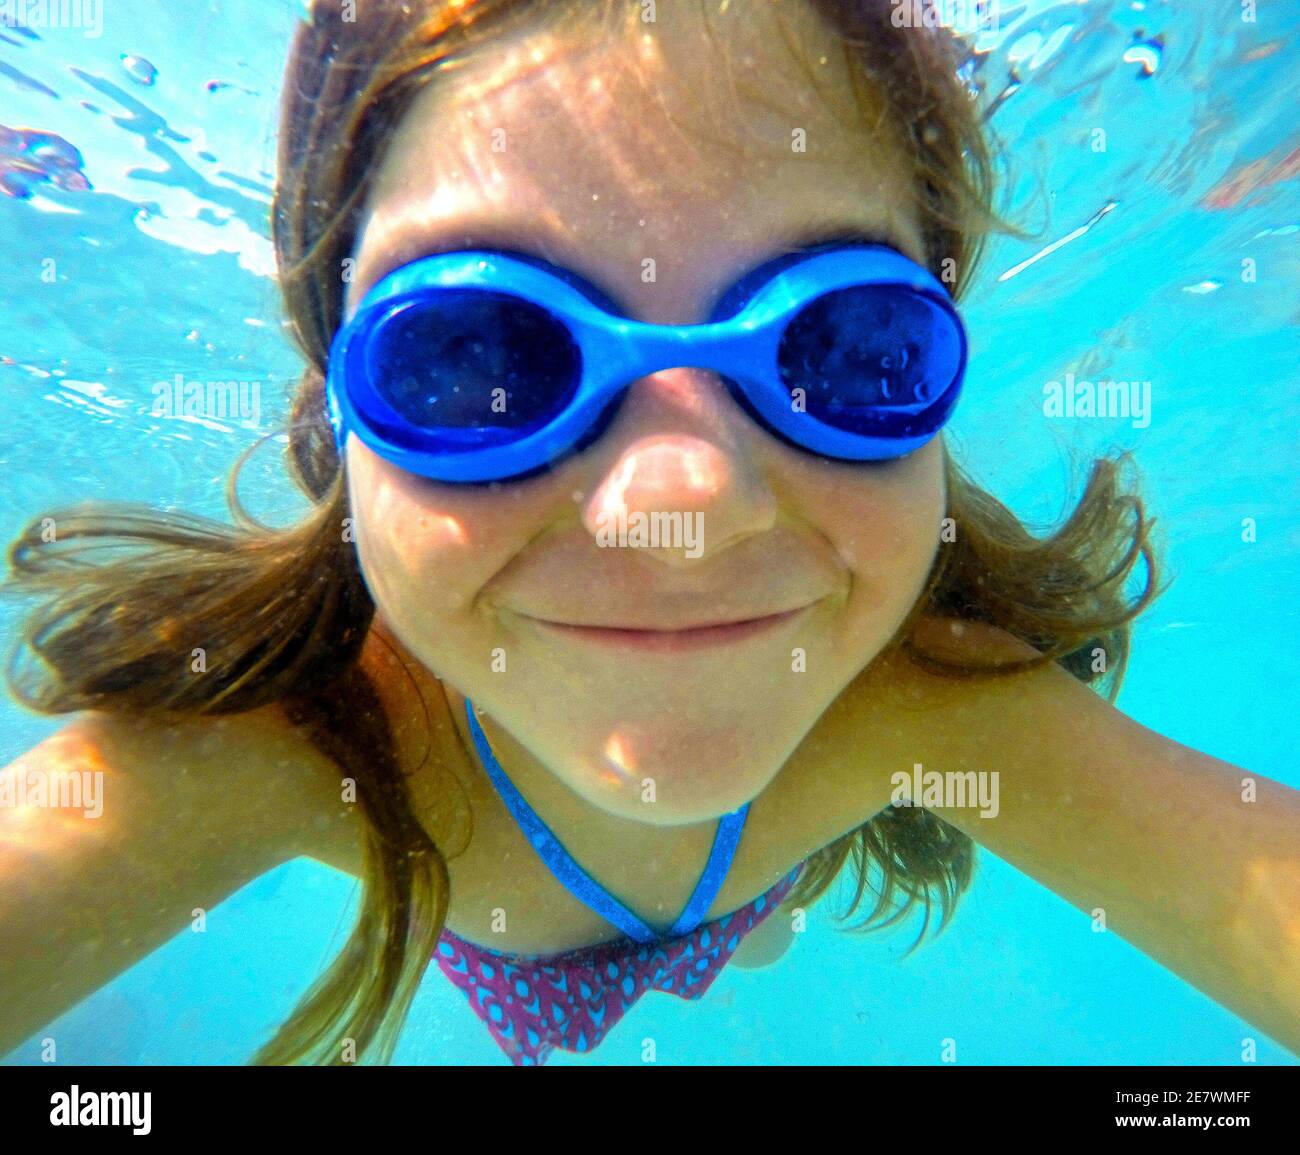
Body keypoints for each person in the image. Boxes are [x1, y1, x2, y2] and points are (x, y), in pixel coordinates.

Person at [2, 0, 1297, 1066]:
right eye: (474, 358)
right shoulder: (304, 745)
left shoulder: (919, 709)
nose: (682, 504)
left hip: (747, 890)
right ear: (341, 413)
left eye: (841, 348)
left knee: (762, 928)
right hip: (501, 933)